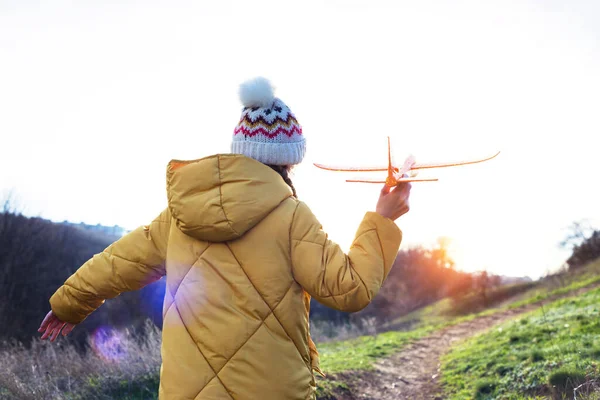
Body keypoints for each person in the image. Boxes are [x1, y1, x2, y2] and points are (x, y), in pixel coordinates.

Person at [39, 77, 411, 400]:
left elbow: (117, 264)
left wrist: (68, 304)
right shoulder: (293, 218)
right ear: (289, 162)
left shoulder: (180, 216)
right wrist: (383, 218)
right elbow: (350, 289)